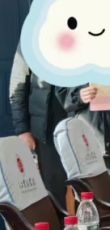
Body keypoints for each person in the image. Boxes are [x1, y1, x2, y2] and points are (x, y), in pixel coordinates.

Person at [9, 45, 68, 199]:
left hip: (83, 124)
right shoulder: (31, 35)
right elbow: (18, 85)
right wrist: (23, 129)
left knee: (88, 191)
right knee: (53, 194)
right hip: (45, 131)